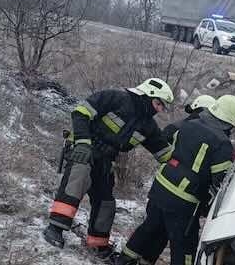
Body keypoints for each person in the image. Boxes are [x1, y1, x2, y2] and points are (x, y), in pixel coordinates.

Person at [110, 95, 235, 265]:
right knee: (183, 259)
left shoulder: (190, 124)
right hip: (183, 203)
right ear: (231, 121)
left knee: (148, 230)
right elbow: (221, 182)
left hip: (160, 190)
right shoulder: (222, 144)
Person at [43, 78, 175, 253]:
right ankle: (55, 228)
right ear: (147, 94)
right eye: (158, 103)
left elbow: (165, 153)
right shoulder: (115, 97)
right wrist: (82, 142)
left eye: (162, 107)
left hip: (106, 161)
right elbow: (80, 112)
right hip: (85, 150)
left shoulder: (148, 126)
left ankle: (98, 245)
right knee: (77, 181)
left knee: (106, 203)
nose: (158, 109)